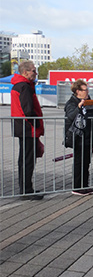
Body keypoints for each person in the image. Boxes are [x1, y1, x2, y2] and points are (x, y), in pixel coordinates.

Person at [11, 60, 45, 200]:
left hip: (23, 127)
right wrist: (36, 124)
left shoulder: (18, 85)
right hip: (27, 128)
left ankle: (25, 188)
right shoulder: (24, 87)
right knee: (27, 160)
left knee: (24, 159)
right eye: (33, 71)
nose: (35, 73)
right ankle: (27, 190)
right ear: (25, 72)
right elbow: (28, 110)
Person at [64, 79, 93, 195]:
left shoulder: (88, 101)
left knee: (86, 162)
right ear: (78, 91)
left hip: (88, 136)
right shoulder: (71, 102)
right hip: (78, 136)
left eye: (87, 89)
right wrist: (79, 107)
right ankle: (77, 187)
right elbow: (70, 116)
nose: (87, 91)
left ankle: (84, 185)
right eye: (85, 90)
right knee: (79, 162)